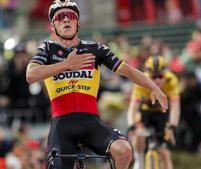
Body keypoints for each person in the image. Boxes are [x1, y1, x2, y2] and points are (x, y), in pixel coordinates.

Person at [26, 1, 168, 169]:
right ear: (53, 26)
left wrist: (154, 87)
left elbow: (128, 71)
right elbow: (30, 75)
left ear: (78, 22)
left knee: (124, 150)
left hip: (91, 122)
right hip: (61, 126)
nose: (66, 20)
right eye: (60, 17)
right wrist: (66, 65)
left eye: (70, 16)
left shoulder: (95, 49)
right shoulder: (47, 49)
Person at [127, 56, 180, 169]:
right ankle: (139, 161)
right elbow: (133, 107)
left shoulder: (172, 80)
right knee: (138, 134)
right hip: (145, 112)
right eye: (153, 77)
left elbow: (175, 107)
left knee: (165, 154)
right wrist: (131, 125)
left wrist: (173, 125)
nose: (157, 80)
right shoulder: (140, 81)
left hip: (162, 113)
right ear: (148, 75)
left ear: (166, 74)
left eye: (160, 76)